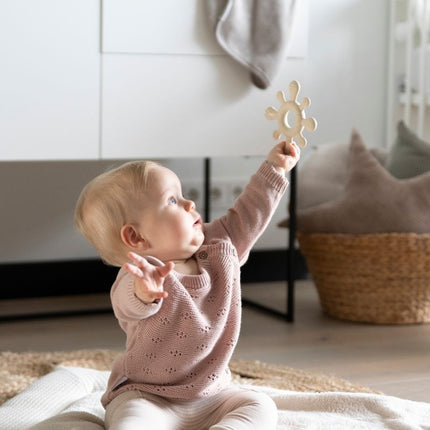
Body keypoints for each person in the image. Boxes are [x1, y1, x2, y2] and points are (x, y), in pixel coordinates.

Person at [74, 140, 300, 430]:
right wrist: (145, 293)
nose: (189, 203)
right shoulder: (139, 276)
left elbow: (249, 214)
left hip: (213, 394)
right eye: (172, 200)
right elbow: (126, 304)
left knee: (260, 406)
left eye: (182, 196)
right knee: (130, 422)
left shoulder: (218, 246)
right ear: (136, 238)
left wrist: (275, 168)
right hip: (147, 396)